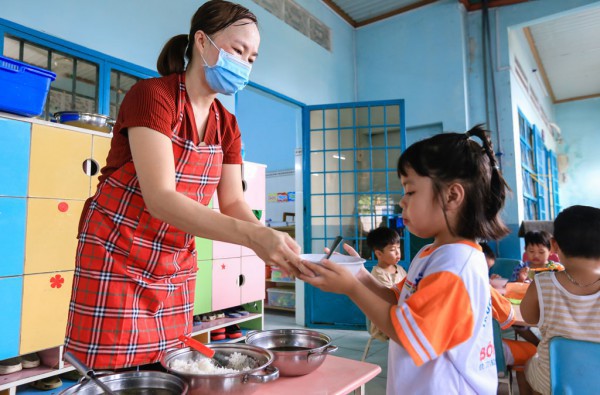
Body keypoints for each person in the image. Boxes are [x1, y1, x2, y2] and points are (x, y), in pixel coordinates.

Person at [64, 0, 301, 370]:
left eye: (252, 58)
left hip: (172, 260)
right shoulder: (153, 96)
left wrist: (273, 243)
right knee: (114, 374)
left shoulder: (228, 125)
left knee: (169, 368)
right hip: (117, 253)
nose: (244, 64)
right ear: (202, 42)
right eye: (238, 50)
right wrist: (252, 237)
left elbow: (234, 202)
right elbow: (159, 198)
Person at [300, 125, 510, 394]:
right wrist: (358, 274)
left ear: (452, 196)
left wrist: (350, 288)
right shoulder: (432, 252)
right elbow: (398, 302)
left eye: (410, 191)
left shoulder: (456, 265)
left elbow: (405, 333)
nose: (402, 201)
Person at [521, 205, 600, 395]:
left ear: (554, 245)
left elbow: (528, 318)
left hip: (553, 383)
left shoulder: (542, 283)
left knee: (528, 366)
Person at [366, 227, 407, 341]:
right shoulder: (378, 274)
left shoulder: (399, 269)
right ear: (379, 254)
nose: (398, 253)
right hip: (384, 323)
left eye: (398, 248)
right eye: (393, 250)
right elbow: (392, 299)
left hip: (399, 313)